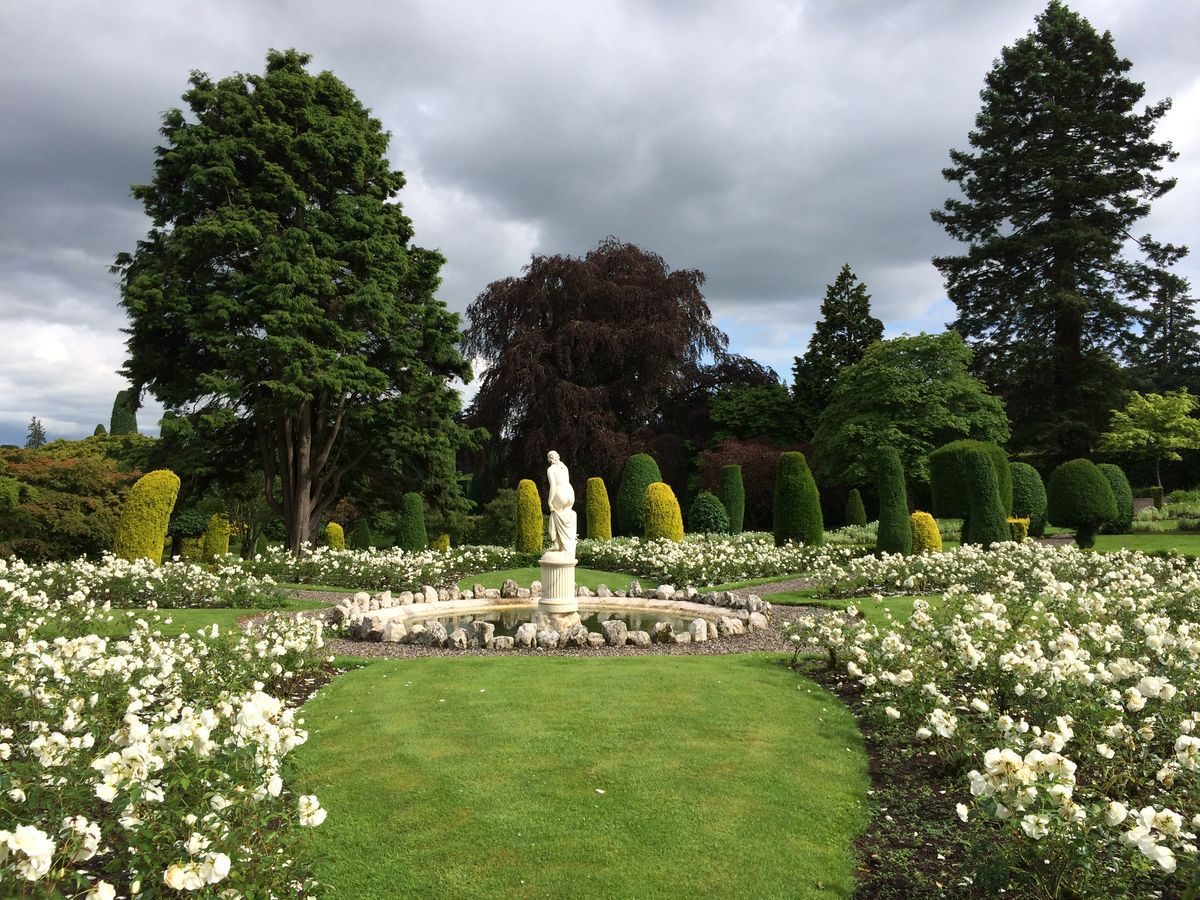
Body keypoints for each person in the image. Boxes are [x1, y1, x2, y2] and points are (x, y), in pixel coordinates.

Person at [545, 450, 577, 557]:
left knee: (554, 516)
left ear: (549, 459)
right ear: (558, 457)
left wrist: (549, 501)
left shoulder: (550, 470)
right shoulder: (564, 467)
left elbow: (553, 486)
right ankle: (566, 547)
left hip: (560, 493)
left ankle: (557, 544)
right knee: (567, 516)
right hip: (570, 493)